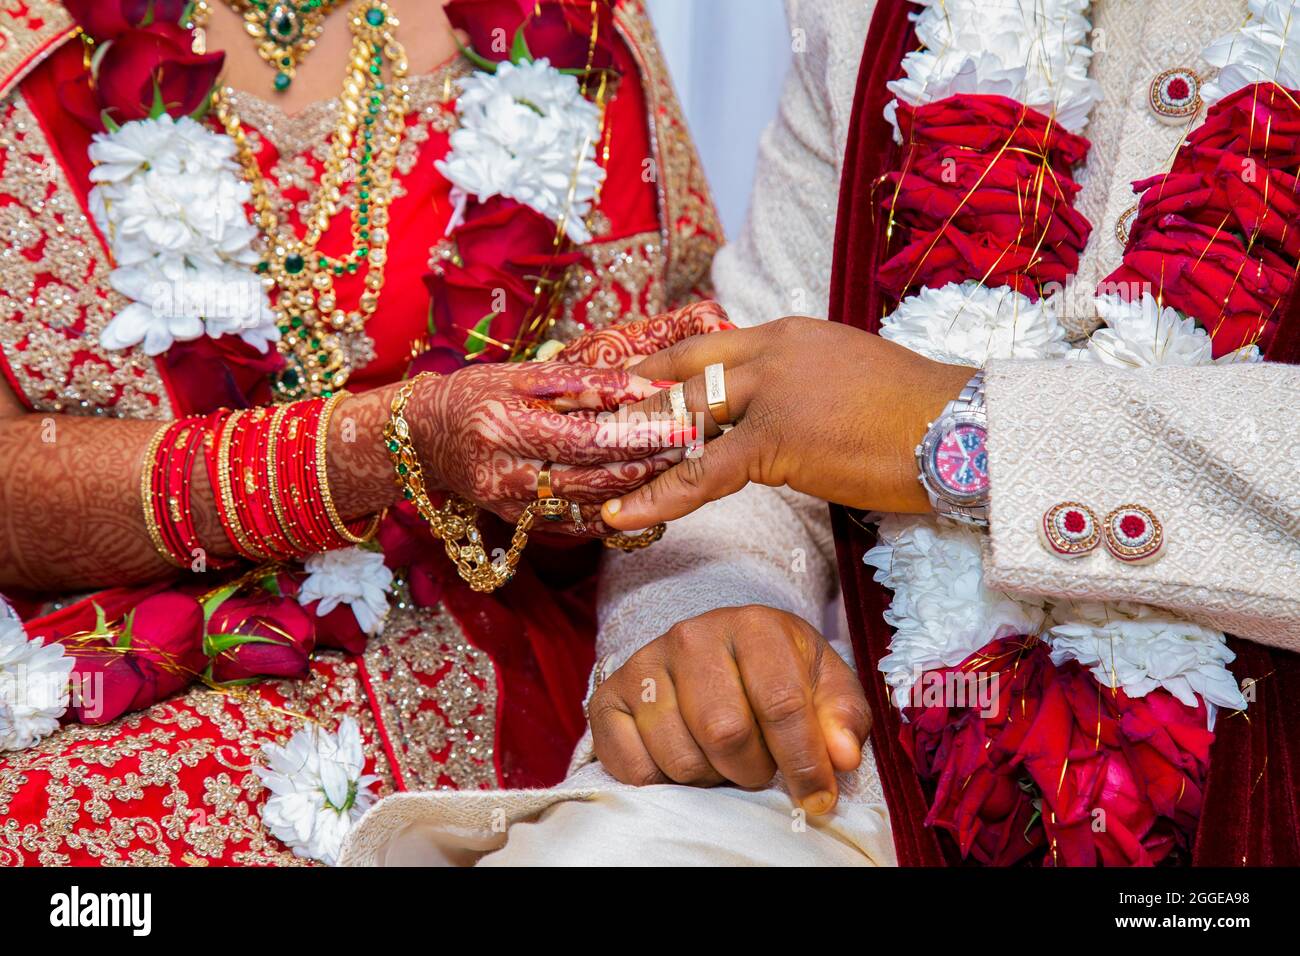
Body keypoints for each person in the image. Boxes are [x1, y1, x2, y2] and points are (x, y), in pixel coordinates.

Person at [344, 0, 1300, 866]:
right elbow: (758, 398)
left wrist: (961, 436)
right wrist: (713, 613)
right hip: (890, 772)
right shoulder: (865, 19)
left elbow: (853, 409)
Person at [0, 0, 731, 866]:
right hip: (92, 639)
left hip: (481, 637)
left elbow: (679, 434)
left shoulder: (571, 27)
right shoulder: (29, 44)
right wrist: (380, 445)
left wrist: (586, 435)